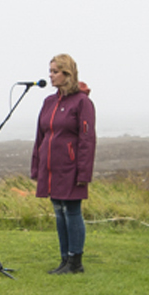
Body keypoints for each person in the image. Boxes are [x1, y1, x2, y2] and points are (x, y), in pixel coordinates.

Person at [31, 53, 96, 275]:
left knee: (72, 211)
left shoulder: (82, 102)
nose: (50, 76)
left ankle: (76, 261)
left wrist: (83, 172)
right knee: (58, 211)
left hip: (71, 167)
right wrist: (36, 165)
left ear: (67, 74)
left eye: (55, 72)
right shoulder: (49, 102)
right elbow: (41, 136)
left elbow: (87, 140)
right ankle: (64, 259)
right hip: (51, 168)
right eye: (50, 71)